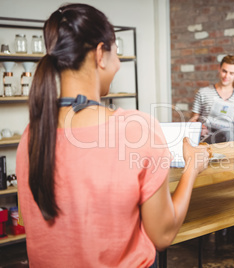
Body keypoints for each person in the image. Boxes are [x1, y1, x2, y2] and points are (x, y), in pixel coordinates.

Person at [15, 4, 209, 267]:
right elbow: (162, 235)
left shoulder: (32, 134)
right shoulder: (137, 129)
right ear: (100, 55)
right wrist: (192, 168)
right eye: (116, 53)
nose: (118, 65)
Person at [190, 55, 234, 143]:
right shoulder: (203, 93)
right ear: (219, 69)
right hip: (206, 142)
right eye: (224, 71)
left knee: (228, 134)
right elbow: (193, 120)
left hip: (230, 143)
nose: (226, 76)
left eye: (231, 73)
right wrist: (198, 127)